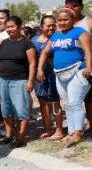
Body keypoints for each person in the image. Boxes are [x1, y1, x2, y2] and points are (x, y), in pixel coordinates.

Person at [38, 7, 91, 144]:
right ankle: (71, 132)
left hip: (78, 71)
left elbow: (87, 50)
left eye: (65, 19)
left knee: (75, 102)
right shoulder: (56, 36)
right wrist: (40, 69)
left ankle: (79, 132)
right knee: (67, 104)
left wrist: (89, 67)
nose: (62, 22)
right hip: (60, 74)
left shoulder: (80, 32)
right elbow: (44, 52)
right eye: (59, 20)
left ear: (73, 20)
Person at [0, 16, 37, 148]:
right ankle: (8, 135)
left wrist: (30, 81)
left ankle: (20, 137)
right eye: (8, 27)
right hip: (3, 80)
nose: (10, 29)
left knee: (21, 110)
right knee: (6, 109)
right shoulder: (4, 43)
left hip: (19, 80)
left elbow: (32, 63)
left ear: (19, 27)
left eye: (12, 26)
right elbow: (0, 60)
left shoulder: (27, 43)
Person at [32, 15, 64, 140]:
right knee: (43, 102)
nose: (51, 27)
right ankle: (47, 129)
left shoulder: (59, 39)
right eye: (48, 25)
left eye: (53, 25)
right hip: (39, 78)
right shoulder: (34, 41)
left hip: (55, 75)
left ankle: (59, 129)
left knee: (56, 101)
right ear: (41, 27)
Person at [65, 0, 92, 133]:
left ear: (81, 7)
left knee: (89, 98)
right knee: (74, 99)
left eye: (75, 6)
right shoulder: (64, 24)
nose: (72, 9)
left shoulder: (88, 22)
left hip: (86, 66)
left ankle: (89, 125)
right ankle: (76, 128)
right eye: (69, 6)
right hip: (69, 69)